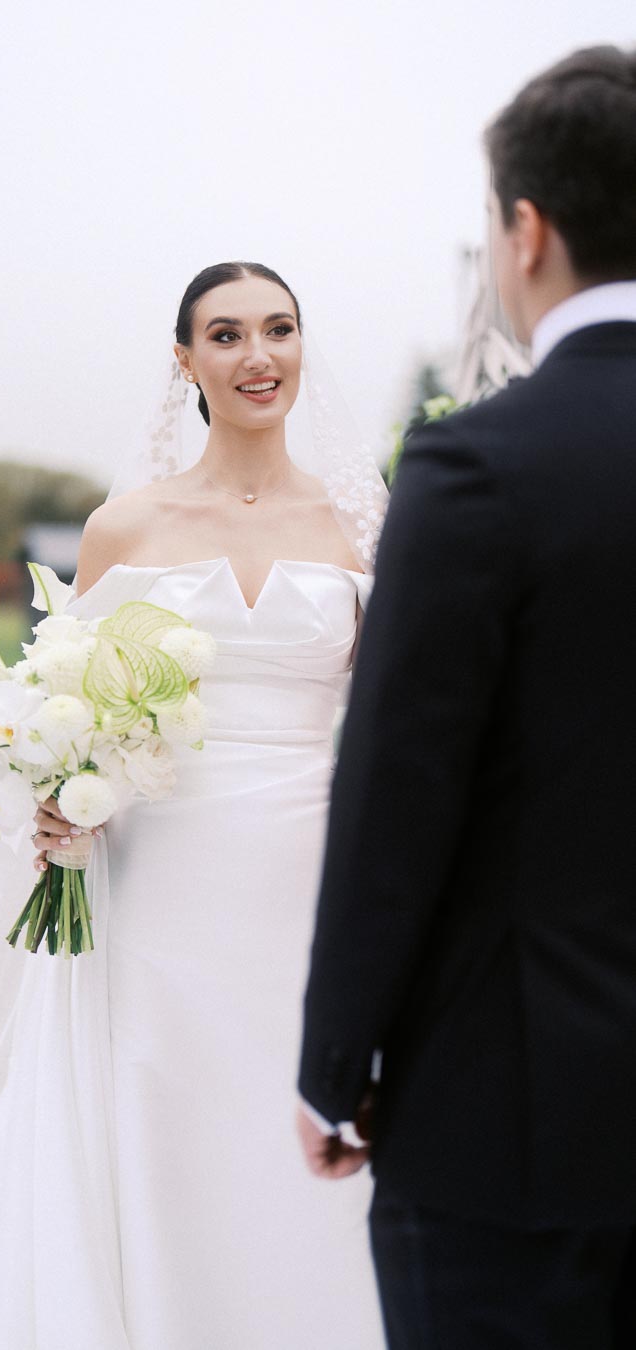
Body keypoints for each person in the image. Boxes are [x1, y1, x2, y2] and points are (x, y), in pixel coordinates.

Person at [0, 262, 387, 1349]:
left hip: (310, 870)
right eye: (226, 335)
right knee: (159, 1097)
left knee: (291, 1094)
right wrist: (58, 797)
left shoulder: (358, 527)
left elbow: (389, 729)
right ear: (184, 361)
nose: (258, 356)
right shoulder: (127, 528)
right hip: (159, 876)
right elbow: (60, 710)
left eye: (279, 330)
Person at [298, 44, 636, 1350]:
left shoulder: (480, 466)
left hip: (514, 1108)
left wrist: (337, 1068)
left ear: (526, 230)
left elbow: (398, 791)